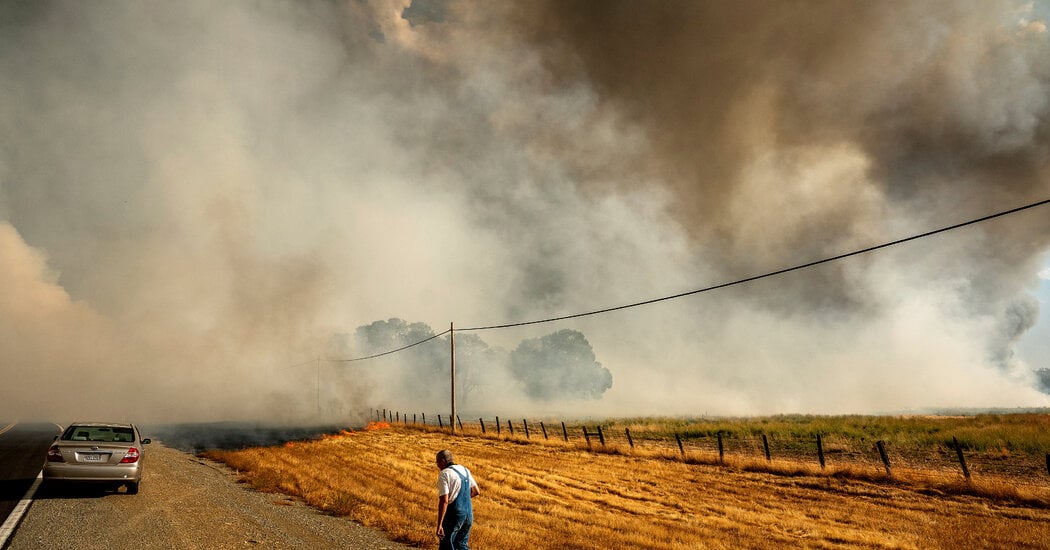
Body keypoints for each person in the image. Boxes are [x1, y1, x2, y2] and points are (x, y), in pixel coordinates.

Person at [435, 449, 480, 550]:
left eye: (437, 462)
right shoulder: (464, 470)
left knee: (447, 544)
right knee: (461, 544)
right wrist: (462, 500)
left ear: (443, 461)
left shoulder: (444, 474)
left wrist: (439, 525)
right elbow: (476, 491)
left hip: (454, 515)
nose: (437, 465)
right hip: (468, 514)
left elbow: (444, 501)